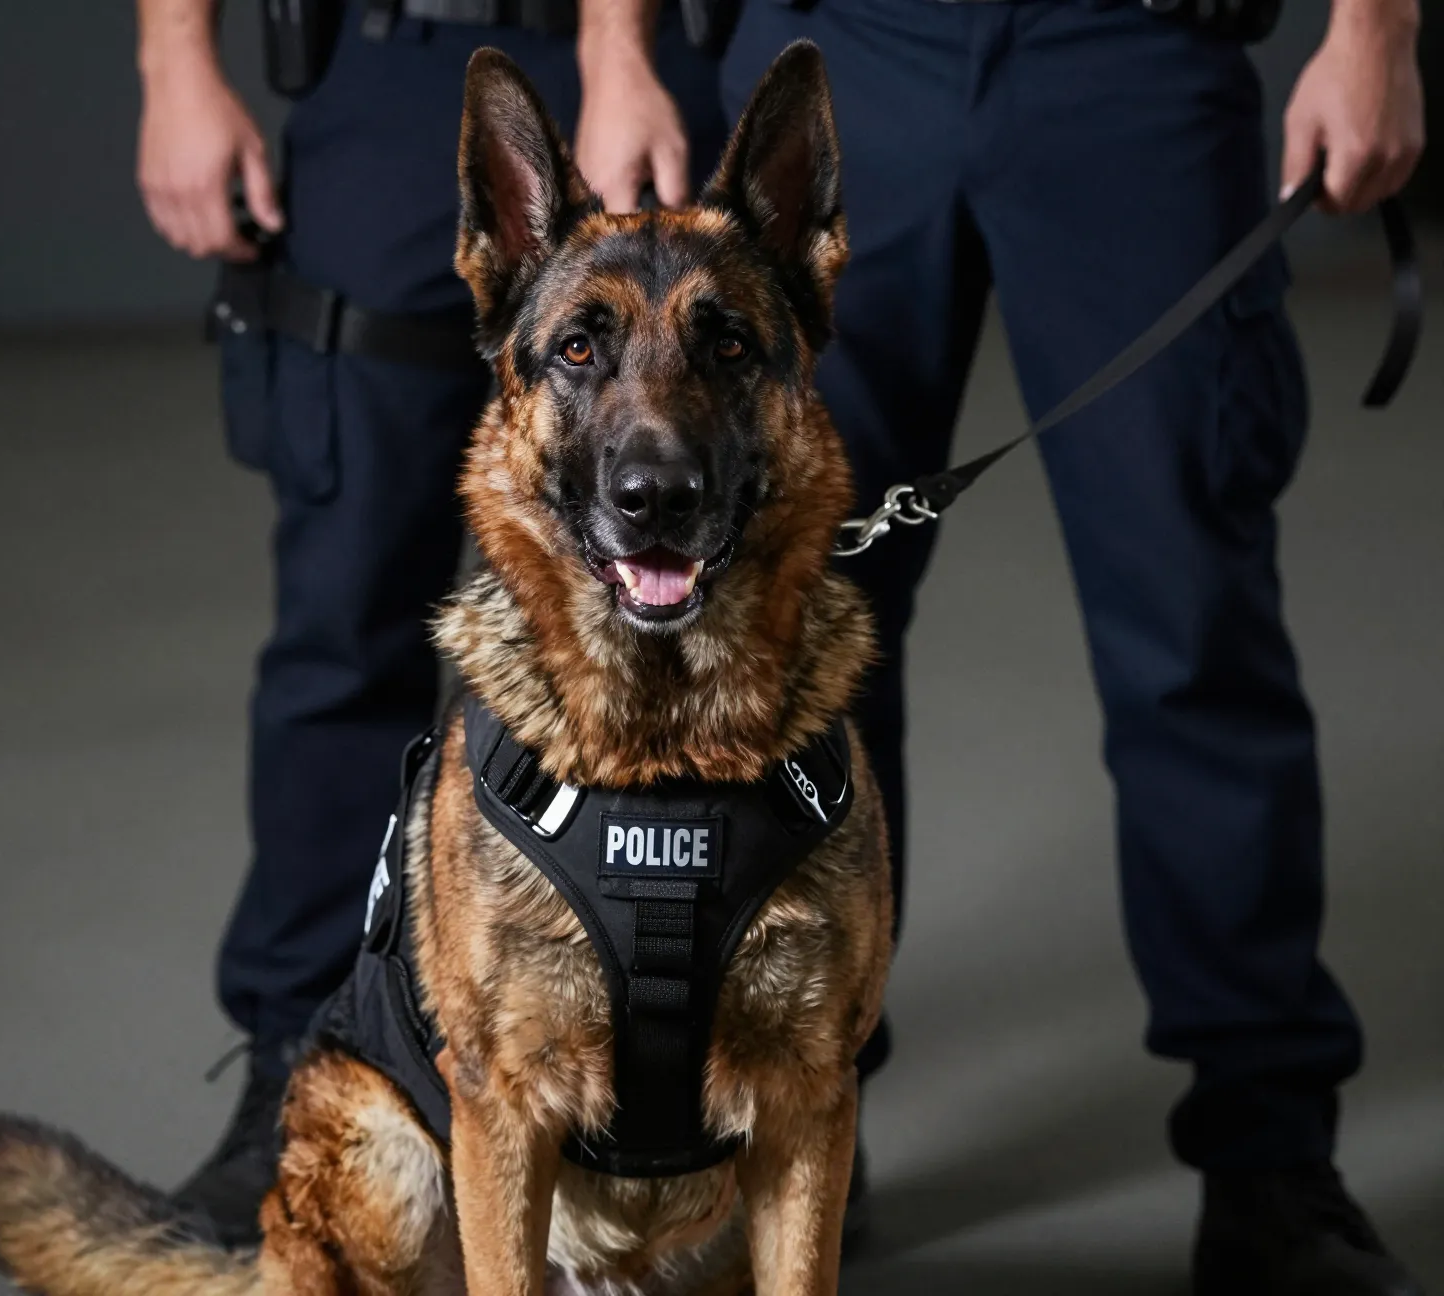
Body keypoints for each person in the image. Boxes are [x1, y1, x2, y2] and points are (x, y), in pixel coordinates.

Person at [574, 0, 1427, 1290]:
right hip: (838, 48)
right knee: (787, 633)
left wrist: (1376, 31)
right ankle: (798, 1127)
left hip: (1129, 55)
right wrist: (614, 50)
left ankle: (1271, 1165)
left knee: (1194, 634)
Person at [132, 0, 726, 1248]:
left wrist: (617, 58)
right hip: (393, 71)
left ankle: (712, 1103)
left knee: (694, 648)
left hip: (624, 63)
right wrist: (177, 61)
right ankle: (300, 1076)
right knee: (343, 631)